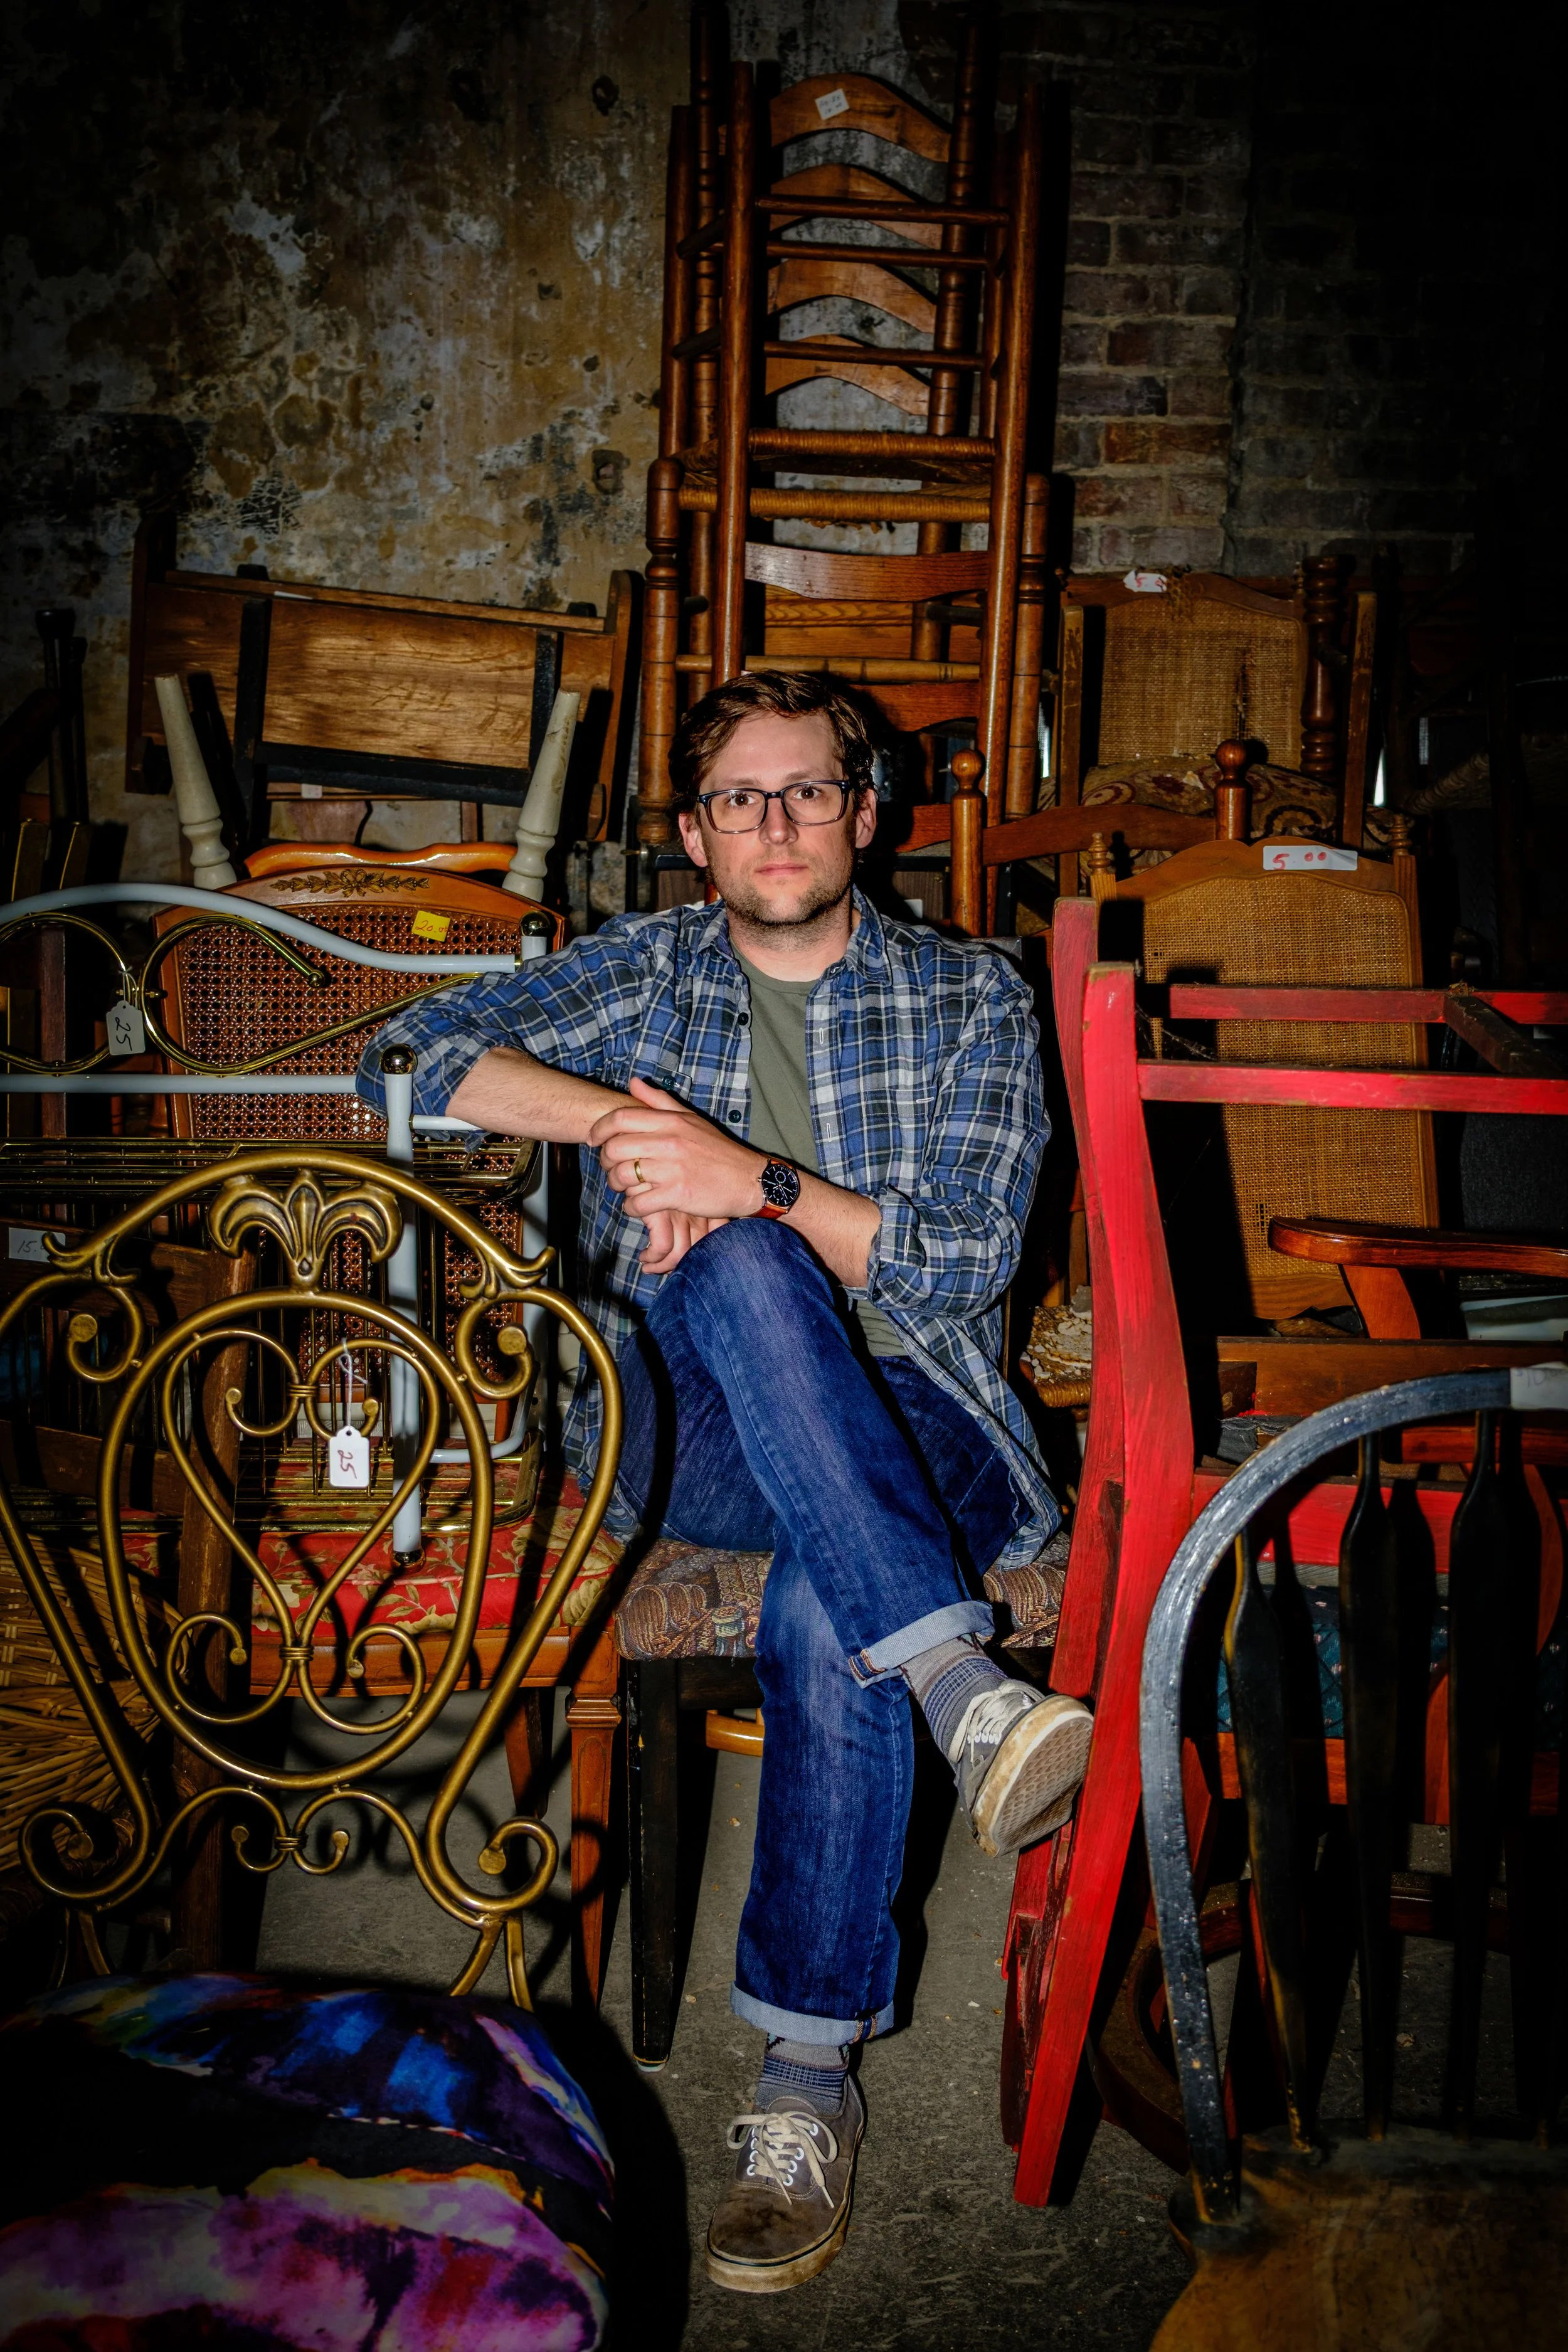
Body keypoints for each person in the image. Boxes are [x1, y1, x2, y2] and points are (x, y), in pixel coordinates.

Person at [357, 671, 1091, 2295]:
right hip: (701, 1431)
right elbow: (404, 1062)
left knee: (843, 1582)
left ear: (864, 810)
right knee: (737, 1272)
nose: (774, 823)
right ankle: (964, 1686)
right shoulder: (651, 970)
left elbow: (961, 1269)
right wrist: (641, 1133)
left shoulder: (971, 994)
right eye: (738, 799)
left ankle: (803, 2075)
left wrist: (743, 1177)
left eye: (807, 790)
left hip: (929, 1414)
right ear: (693, 836)